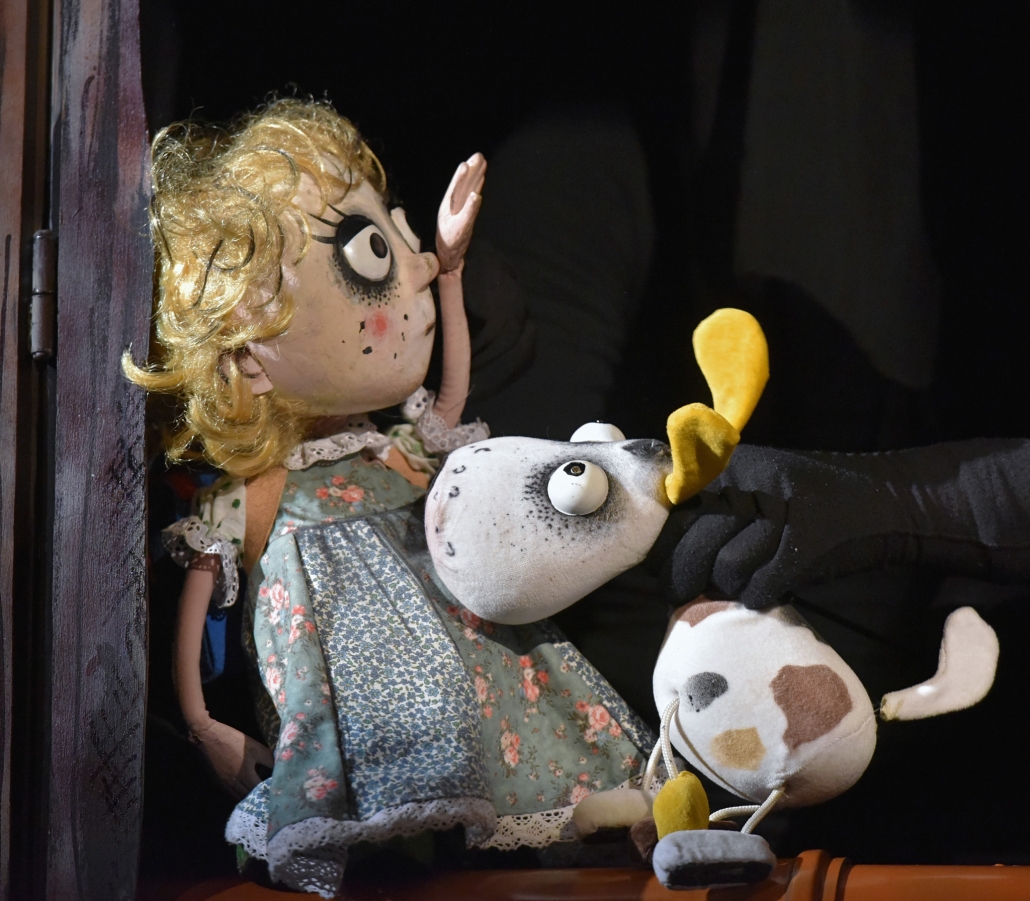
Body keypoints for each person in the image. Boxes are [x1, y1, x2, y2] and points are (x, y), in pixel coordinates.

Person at [125, 98, 653, 896]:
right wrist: (203, 726)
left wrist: (451, 262)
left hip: (464, 668)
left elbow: (451, 398)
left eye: (397, 236)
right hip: (362, 709)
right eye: (372, 251)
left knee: (509, 717)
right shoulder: (255, 498)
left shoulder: (396, 451)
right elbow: (198, 612)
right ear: (248, 348)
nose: (413, 267)